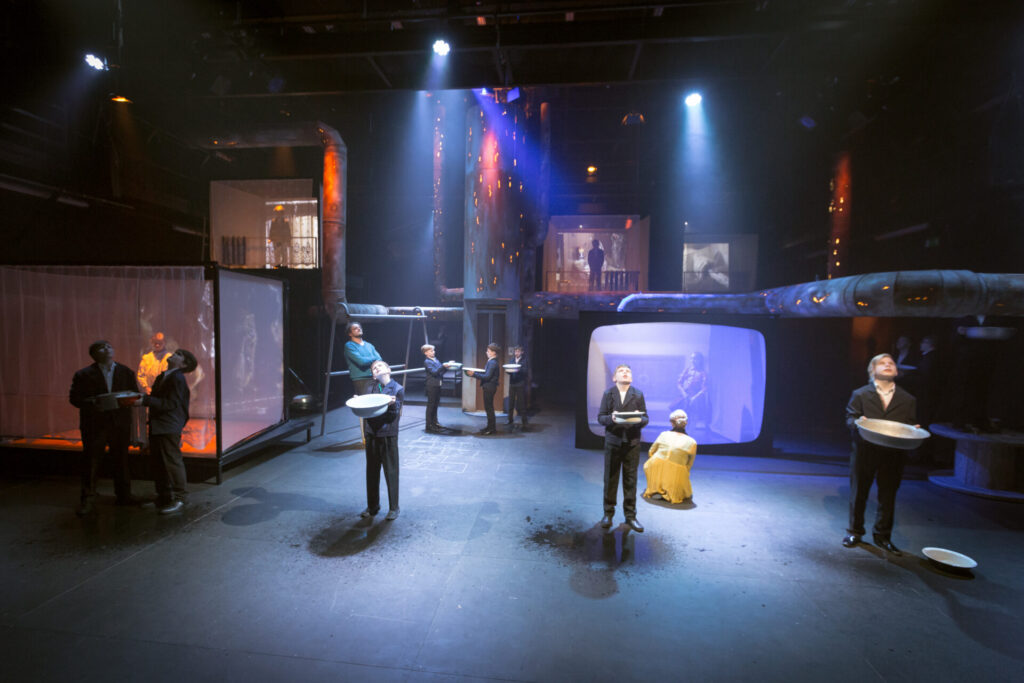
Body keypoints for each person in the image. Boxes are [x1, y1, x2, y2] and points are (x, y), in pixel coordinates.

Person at [843, 353, 918, 555]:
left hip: (893, 454)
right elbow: (850, 419)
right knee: (859, 492)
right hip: (865, 450)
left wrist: (913, 429)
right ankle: (855, 532)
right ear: (872, 370)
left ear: (897, 371)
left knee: (888, 495)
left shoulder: (908, 399)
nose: (887, 365)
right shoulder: (860, 394)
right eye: (882, 363)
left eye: (891, 363)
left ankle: (883, 536)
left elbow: (909, 424)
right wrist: (858, 422)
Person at [68, 340, 141, 516]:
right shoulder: (83, 374)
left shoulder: (125, 371)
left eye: (108, 346)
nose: (107, 349)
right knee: (91, 461)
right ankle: (88, 498)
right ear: (94, 355)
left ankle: (124, 495)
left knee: (121, 459)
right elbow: (75, 399)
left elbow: (134, 394)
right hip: (95, 423)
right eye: (102, 347)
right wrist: (95, 402)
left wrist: (126, 399)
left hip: (120, 423)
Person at [140, 349, 198, 514]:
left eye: (179, 354)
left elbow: (171, 403)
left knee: (172, 462)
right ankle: (164, 497)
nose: (174, 354)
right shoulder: (164, 376)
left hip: (168, 425)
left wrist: (145, 400)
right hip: (159, 424)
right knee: (159, 462)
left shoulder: (177, 378)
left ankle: (180, 497)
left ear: (184, 364)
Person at [596, 364, 649, 532]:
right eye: (621, 371)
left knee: (630, 480)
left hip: (632, 443)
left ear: (631, 378)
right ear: (614, 378)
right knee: (610, 479)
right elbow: (601, 418)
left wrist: (638, 419)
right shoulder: (609, 394)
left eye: (628, 371)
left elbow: (646, 418)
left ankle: (630, 516)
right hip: (613, 442)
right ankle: (608, 514)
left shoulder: (638, 394)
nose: (625, 373)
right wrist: (611, 419)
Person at [360, 360, 403, 521]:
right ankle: (373, 506)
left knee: (391, 471)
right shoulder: (370, 387)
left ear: (388, 370)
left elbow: (393, 415)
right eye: (373, 368)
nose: (376, 368)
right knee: (371, 471)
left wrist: (391, 405)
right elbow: (366, 410)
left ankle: (394, 507)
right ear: (373, 375)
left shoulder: (397, 389)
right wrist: (360, 402)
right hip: (372, 433)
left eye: (380, 366)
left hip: (387, 434)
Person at [643, 409, 697, 504]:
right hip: (677, 473)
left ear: (672, 423)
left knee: (653, 463)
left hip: (656, 467)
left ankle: (657, 487)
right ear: (686, 423)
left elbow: (651, 452)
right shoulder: (692, 442)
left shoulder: (664, 435)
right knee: (686, 492)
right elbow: (689, 464)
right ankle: (670, 488)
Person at [467, 343, 500, 435]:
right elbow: (487, 374)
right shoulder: (492, 361)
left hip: (490, 387)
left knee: (489, 408)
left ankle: (492, 429)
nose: (486, 352)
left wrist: (474, 374)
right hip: (489, 387)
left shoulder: (492, 363)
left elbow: (487, 376)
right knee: (488, 408)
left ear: (494, 352)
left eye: (488, 351)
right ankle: (489, 427)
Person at [672, 352, 710, 429]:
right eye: (691, 358)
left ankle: (691, 432)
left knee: (694, 416)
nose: (693, 360)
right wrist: (684, 394)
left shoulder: (703, 373)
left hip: (696, 399)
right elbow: (679, 383)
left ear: (700, 360)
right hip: (685, 396)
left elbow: (704, 388)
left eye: (695, 358)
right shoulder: (687, 370)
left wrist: (695, 398)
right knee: (682, 415)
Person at [344, 321, 382, 396]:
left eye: (359, 327)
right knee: (366, 402)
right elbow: (361, 362)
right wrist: (374, 358)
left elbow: (380, 359)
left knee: (379, 400)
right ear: (350, 334)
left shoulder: (369, 345)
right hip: (361, 380)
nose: (359, 329)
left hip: (375, 377)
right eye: (355, 328)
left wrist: (371, 359)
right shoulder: (349, 346)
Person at [422, 343, 450, 433]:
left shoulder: (436, 360)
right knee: (431, 405)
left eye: (433, 350)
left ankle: (435, 422)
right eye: (431, 351)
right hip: (432, 385)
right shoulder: (427, 362)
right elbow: (434, 372)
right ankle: (429, 425)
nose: (433, 352)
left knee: (436, 404)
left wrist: (446, 368)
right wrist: (443, 366)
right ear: (426, 353)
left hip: (438, 384)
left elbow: (440, 372)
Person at [506, 344, 528, 430]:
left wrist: (517, 369)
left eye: (518, 351)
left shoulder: (524, 361)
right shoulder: (512, 360)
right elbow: (508, 370)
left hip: (520, 384)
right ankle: (510, 420)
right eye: (515, 351)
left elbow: (525, 371)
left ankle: (524, 422)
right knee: (510, 403)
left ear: (522, 352)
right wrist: (508, 370)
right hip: (512, 383)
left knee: (521, 403)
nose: (516, 353)